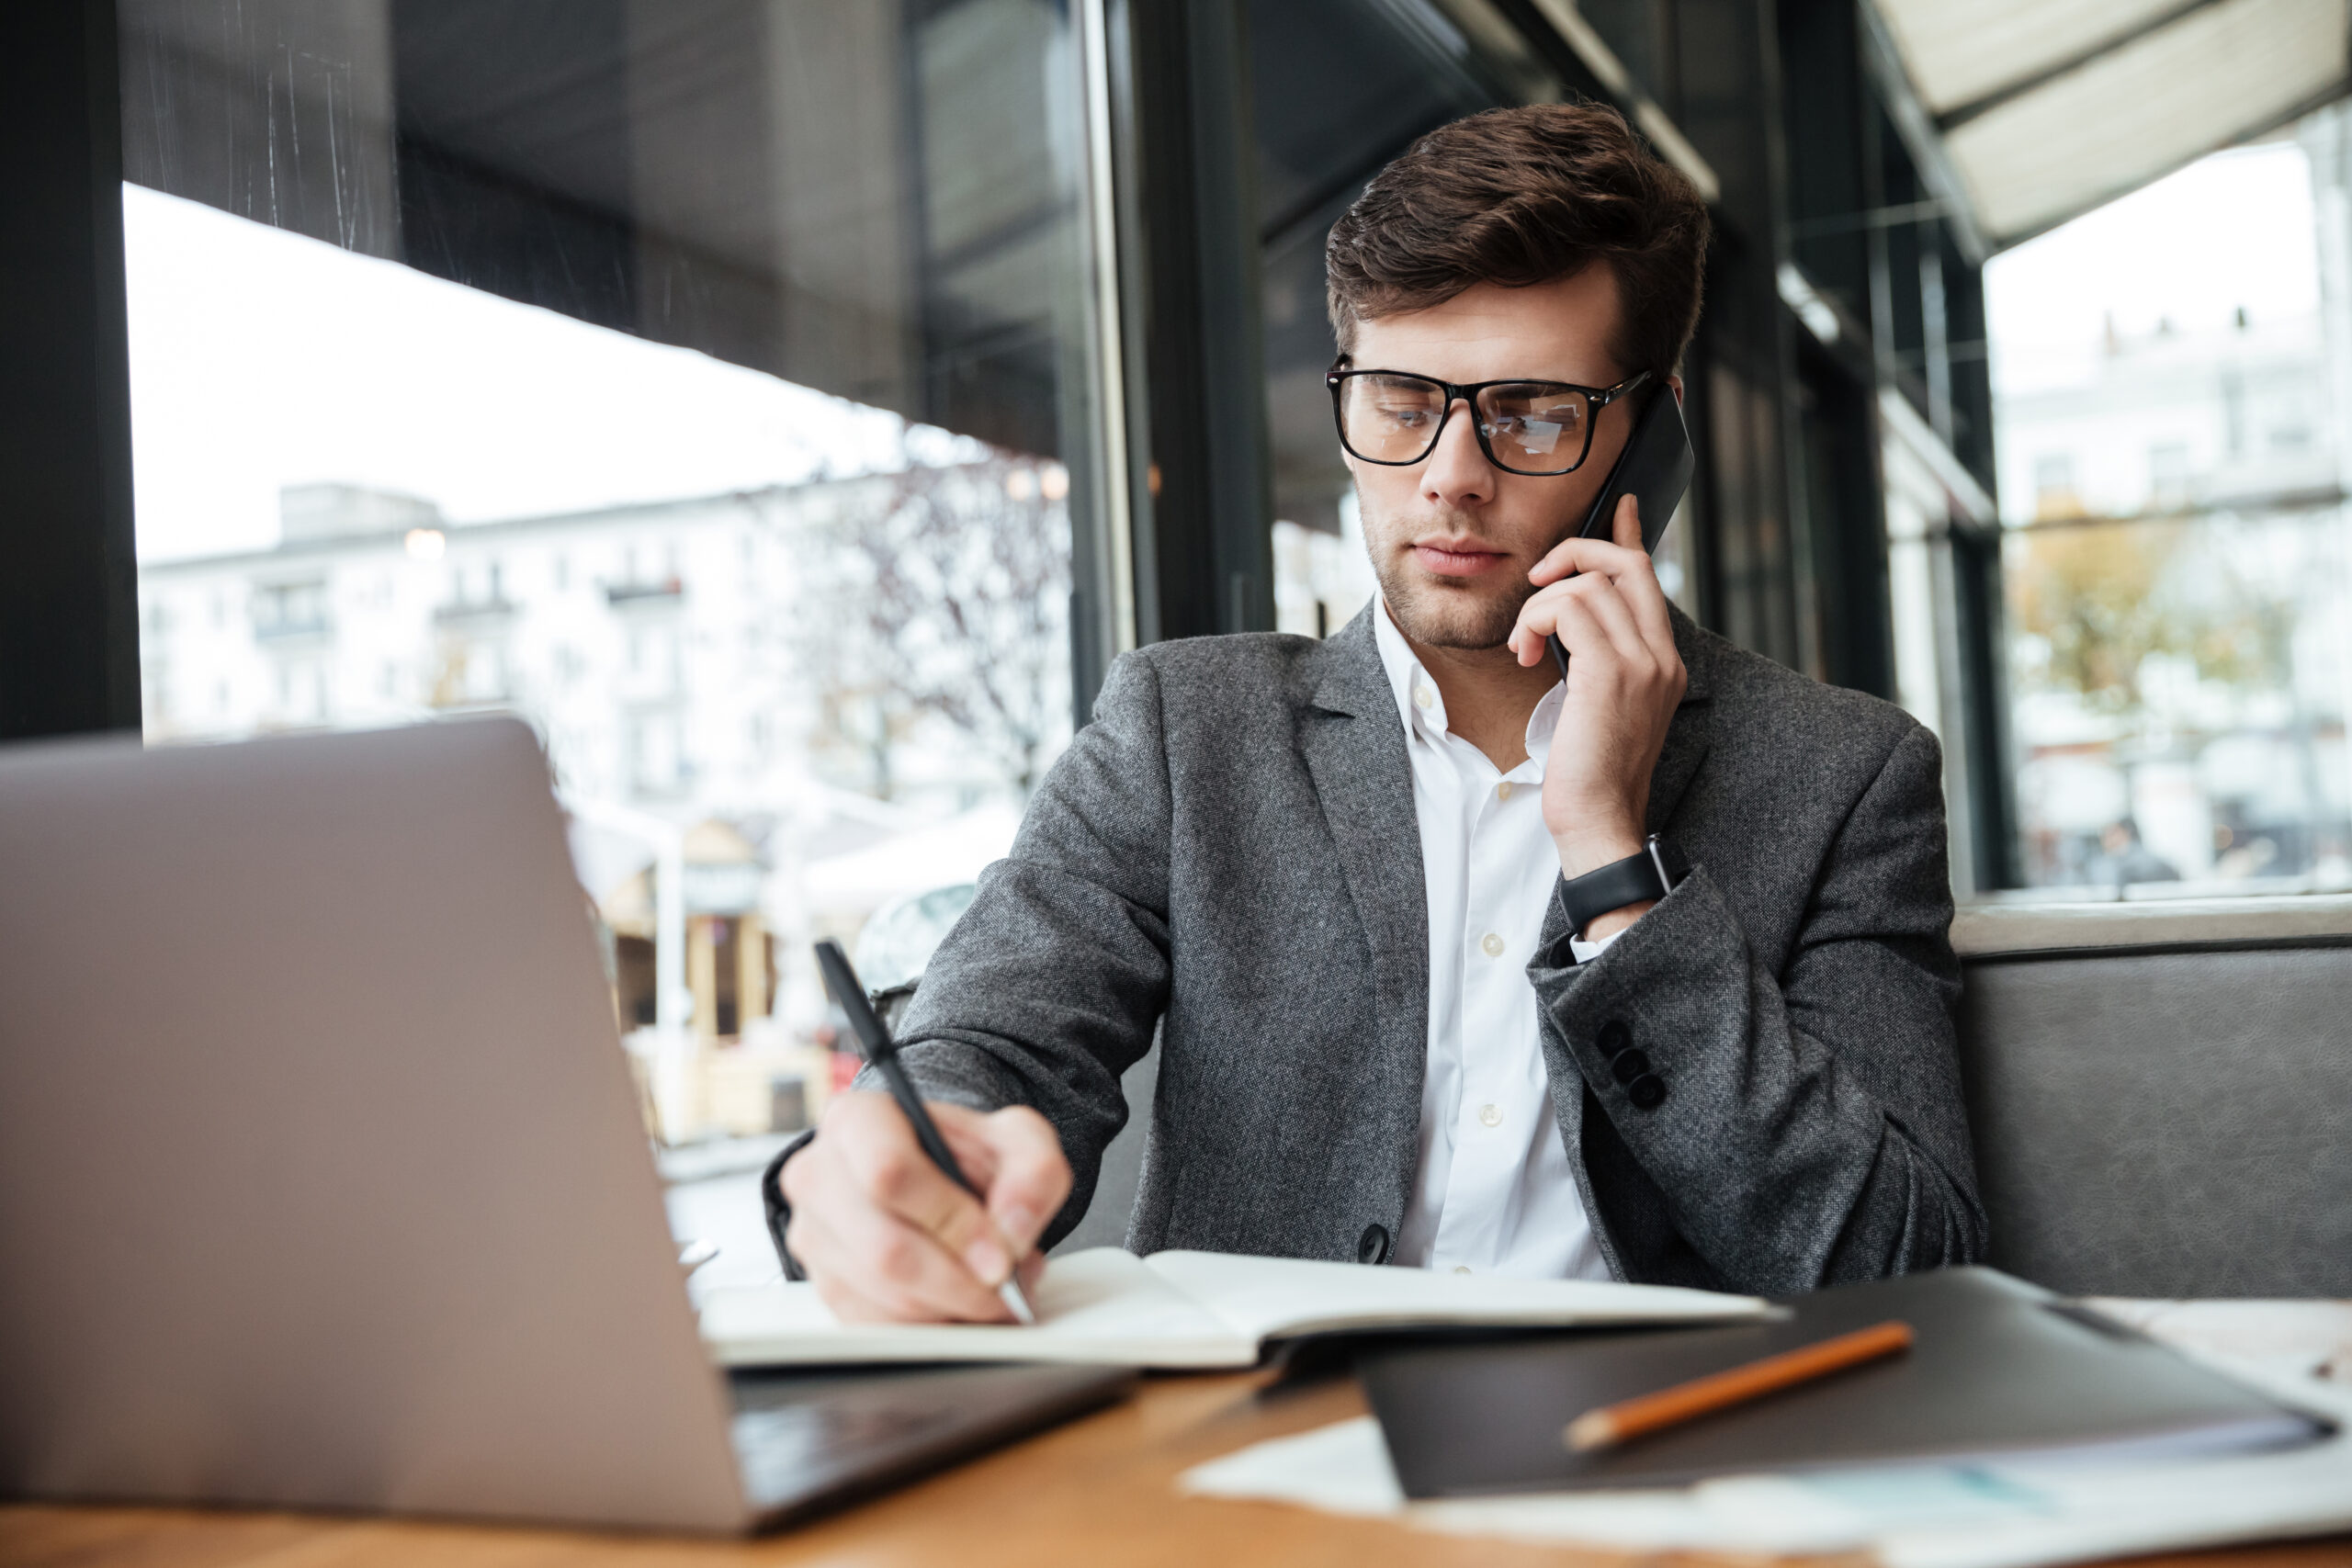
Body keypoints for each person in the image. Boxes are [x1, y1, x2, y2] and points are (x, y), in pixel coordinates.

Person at [766, 102, 1984, 1323]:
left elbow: (1904, 1264)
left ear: (1647, 444)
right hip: (1270, 1458)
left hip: (1667, 1455)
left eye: (1530, 412)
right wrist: (897, 1155)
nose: (1451, 474)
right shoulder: (1186, 732)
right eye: (1404, 402)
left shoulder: (1844, 777)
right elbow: (995, 1043)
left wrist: (1617, 870)